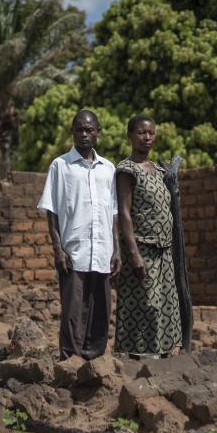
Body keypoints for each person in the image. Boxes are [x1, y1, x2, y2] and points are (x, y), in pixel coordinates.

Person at [38, 110, 121, 361]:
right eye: (79, 129)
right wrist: (57, 250)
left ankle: (95, 362)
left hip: (103, 252)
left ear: (97, 132)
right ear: (72, 132)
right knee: (73, 312)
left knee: (101, 310)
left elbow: (114, 212)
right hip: (74, 252)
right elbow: (50, 209)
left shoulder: (108, 168)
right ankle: (70, 362)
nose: (84, 134)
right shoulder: (60, 166)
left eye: (89, 129)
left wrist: (117, 249)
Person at [114, 114, 183, 359]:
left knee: (165, 304)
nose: (147, 137)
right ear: (130, 136)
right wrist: (132, 253)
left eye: (151, 132)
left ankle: (163, 356)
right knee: (146, 306)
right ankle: (138, 359)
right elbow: (124, 212)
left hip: (164, 251)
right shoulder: (126, 170)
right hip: (142, 250)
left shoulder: (162, 170)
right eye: (141, 133)